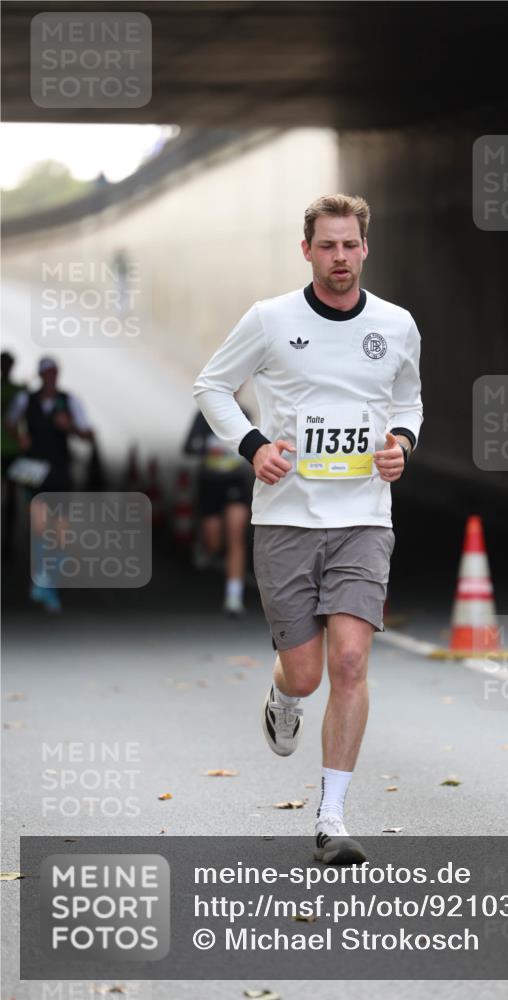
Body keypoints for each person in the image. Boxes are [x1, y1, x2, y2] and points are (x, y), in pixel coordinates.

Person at [194, 194, 423, 864]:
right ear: (307, 251)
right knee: (306, 674)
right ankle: (282, 695)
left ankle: (330, 817)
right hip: (287, 520)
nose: (340, 258)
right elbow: (211, 386)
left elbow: (407, 396)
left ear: (365, 248)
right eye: (327, 246)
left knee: (349, 660)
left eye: (350, 245)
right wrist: (254, 444)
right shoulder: (270, 320)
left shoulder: (396, 324)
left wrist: (401, 443)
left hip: (363, 516)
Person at [6, 356, 94, 612]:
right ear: (40, 375)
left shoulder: (70, 402)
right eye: (46, 373)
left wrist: (70, 428)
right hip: (35, 471)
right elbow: (11, 422)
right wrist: (20, 437)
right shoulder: (26, 400)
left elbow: (88, 434)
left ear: (58, 374)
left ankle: (49, 582)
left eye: (53, 373)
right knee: (41, 528)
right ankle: (44, 583)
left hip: (60, 471)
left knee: (62, 535)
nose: (50, 378)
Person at [183, 408, 252, 615]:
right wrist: (208, 448)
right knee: (214, 540)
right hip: (210, 483)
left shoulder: (244, 414)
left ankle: (233, 597)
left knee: (236, 536)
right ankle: (206, 550)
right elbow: (188, 447)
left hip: (235, 482)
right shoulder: (202, 416)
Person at [1, 351, 25, 560]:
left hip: (13, 450)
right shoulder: (20, 391)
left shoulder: (20, 391)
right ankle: (7, 541)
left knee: (11, 499)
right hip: (11, 450)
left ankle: (8, 540)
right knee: (11, 498)